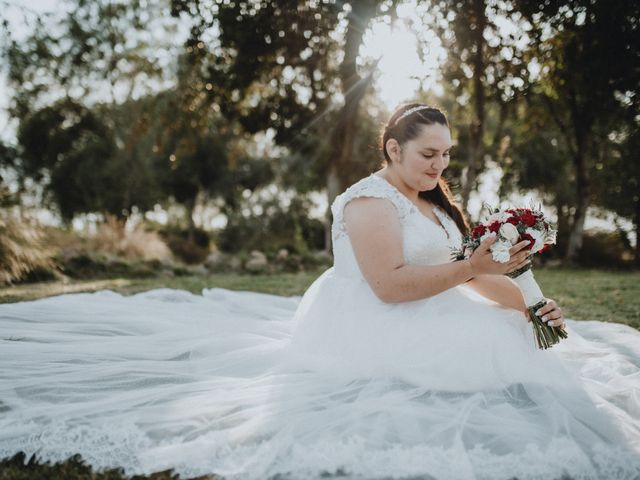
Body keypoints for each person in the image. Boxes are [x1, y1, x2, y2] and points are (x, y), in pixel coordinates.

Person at [0, 103, 639, 480]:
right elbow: (391, 288)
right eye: (427, 155)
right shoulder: (366, 201)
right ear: (393, 148)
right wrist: (474, 270)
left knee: (507, 332)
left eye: (446, 155)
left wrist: (530, 302)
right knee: (485, 352)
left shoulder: (439, 206)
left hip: (436, 298)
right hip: (378, 319)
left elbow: (475, 273)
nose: (440, 166)